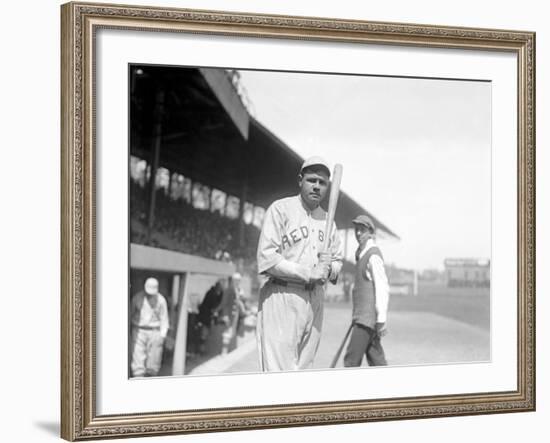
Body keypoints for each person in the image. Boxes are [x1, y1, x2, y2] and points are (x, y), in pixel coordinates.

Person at [256, 156, 343, 371]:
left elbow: (338, 262)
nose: (317, 187)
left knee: (305, 373)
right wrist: (308, 272)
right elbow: (267, 258)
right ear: (300, 180)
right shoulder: (280, 209)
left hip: (315, 300)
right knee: (278, 374)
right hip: (282, 294)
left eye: (322, 183)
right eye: (312, 180)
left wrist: (329, 267)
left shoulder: (329, 222)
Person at [343, 215, 390, 367]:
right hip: (363, 318)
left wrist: (381, 318)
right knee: (377, 360)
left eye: (362, 230)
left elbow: (382, 287)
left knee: (351, 361)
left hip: (366, 320)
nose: (358, 233)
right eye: (356, 229)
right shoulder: (361, 253)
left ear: (370, 232)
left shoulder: (373, 255)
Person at [130, 277, 170, 377]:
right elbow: (129, 314)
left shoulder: (161, 300)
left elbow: (164, 318)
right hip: (139, 330)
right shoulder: (137, 298)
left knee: (154, 361)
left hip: (155, 331)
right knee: (138, 359)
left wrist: (162, 335)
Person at [218, 272, 244, 354]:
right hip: (229, 314)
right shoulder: (228, 290)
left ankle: (229, 350)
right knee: (227, 332)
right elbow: (224, 303)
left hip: (235, 315)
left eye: (239, 280)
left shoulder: (238, 290)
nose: (238, 282)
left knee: (231, 332)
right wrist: (225, 315)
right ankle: (224, 351)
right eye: (236, 280)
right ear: (233, 280)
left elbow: (238, 301)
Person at [197, 279, 225, 354]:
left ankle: (202, 350)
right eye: (220, 287)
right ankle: (201, 350)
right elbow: (212, 306)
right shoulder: (211, 294)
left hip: (208, 317)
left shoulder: (217, 294)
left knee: (205, 334)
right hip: (205, 317)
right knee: (203, 335)